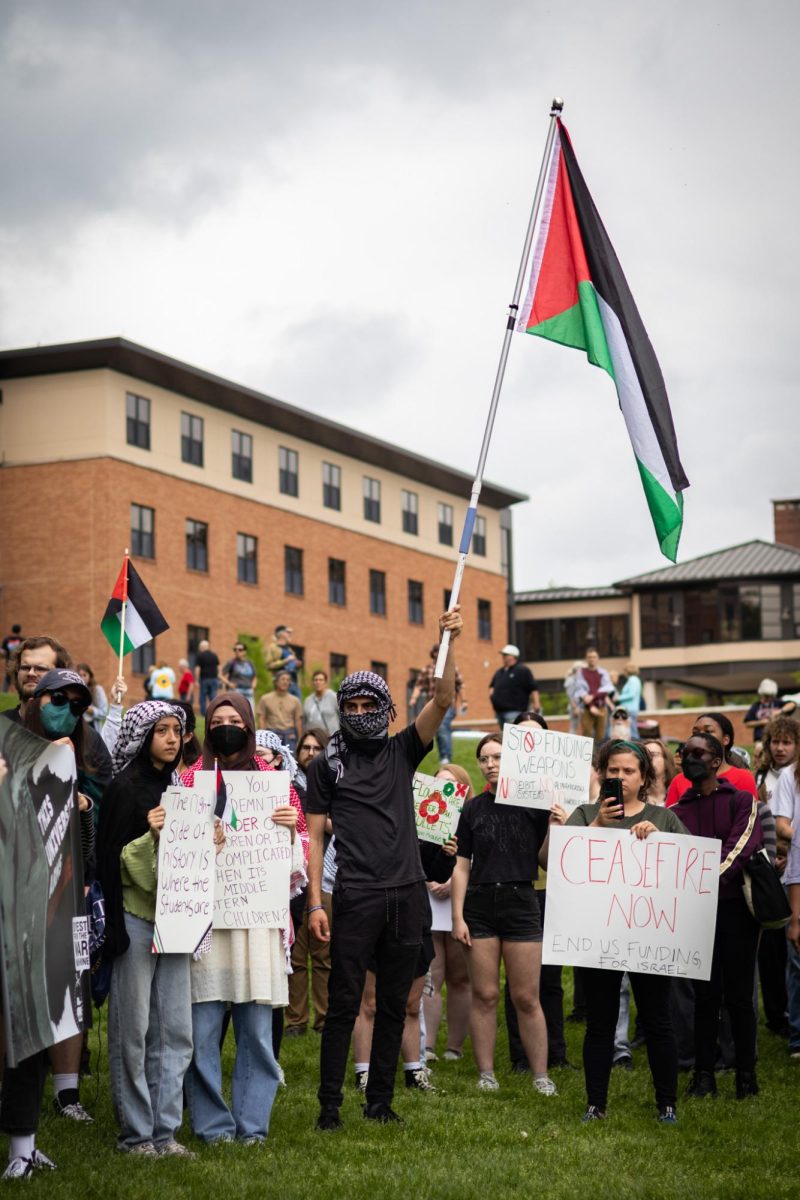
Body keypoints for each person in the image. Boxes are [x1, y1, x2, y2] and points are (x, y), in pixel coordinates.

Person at [305, 605, 463, 1130]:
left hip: (407, 895)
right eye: (347, 704)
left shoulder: (403, 750)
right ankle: (330, 1107)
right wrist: (314, 902)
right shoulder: (325, 763)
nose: (356, 711)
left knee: (396, 1004)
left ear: (384, 706)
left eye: (367, 703)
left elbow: (443, 699)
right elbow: (315, 834)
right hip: (355, 895)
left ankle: (380, 1103)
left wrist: (448, 641)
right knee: (346, 1005)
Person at [181, 692, 307, 1144]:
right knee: (203, 1032)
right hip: (207, 924)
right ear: (207, 727)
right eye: (218, 719)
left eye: (235, 719)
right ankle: (213, 1125)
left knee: (256, 1032)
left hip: (257, 922)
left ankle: (252, 1126)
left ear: (250, 726)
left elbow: (299, 861)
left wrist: (292, 827)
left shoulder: (276, 781)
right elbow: (176, 852)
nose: (227, 726)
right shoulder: (190, 780)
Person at [542, 739, 688, 1123]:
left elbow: (691, 869)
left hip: (648, 938)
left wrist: (661, 842)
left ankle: (667, 1104)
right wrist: (595, 827)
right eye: (613, 771)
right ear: (602, 774)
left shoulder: (663, 818)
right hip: (598, 937)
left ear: (644, 778)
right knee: (600, 1023)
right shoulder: (586, 812)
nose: (620, 777)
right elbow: (553, 862)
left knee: (657, 1020)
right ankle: (596, 1104)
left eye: (628, 771)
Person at [97, 701, 214, 1157]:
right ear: (142, 735)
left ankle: (165, 1132)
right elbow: (112, 861)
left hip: (176, 922)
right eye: (161, 730)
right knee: (133, 1031)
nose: (170, 738)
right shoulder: (124, 789)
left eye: (177, 730)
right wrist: (151, 836)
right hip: (134, 920)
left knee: (174, 1029)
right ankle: (135, 1134)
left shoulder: (181, 787)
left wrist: (212, 837)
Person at [450, 733, 556, 1097]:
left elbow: (545, 861)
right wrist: (457, 917)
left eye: (497, 757)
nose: (490, 764)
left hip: (522, 901)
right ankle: (486, 1073)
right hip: (479, 906)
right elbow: (462, 866)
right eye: (484, 759)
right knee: (486, 994)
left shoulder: (535, 805)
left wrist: (556, 825)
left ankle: (541, 1076)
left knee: (526, 997)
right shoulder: (473, 809)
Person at [20, 669, 101, 1124]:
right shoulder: (10, 750)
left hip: (68, 896)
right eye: (58, 699)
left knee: (69, 989)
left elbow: (87, 845)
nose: (66, 710)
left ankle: (67, 1094)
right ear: (36, 699)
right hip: (18, 894)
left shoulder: (81, 764)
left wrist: (84, 807)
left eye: (76, 705)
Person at [672, 732, 763, 1099]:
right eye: (685, 752)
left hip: (736, 913)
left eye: (699, 752)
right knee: (705, 996)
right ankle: (704, 1074)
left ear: (716, 759)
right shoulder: (677, 812)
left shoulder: (741, 800)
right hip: (697, 916)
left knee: (740, 997)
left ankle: (746, 1074)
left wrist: (703, 880)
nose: (690, 757)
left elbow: (741, 847)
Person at [423, 764, 473, 1063]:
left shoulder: (471, 817)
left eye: (452, 784)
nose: (446, 789)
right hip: (428, 902)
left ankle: (455, 1047)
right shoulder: (423, 817)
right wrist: (430, 879)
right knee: (432, 974)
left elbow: (476, 858)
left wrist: (451, 882)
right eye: (440, 783)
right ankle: (427, 1045)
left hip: (460, 904)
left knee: (460, 977)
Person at [285, 729, 333, 1036]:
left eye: (318, 748)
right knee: (296, 955)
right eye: (306, 747)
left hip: (327, 878)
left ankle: (326, 1018)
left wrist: (316, 820)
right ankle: (296, 1021)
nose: (311, 752)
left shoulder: (335, 785)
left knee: (325, 955)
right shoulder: (287, 786)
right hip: (294, 880)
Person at [666, 713, 758, 806]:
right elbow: (670, 819)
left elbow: (748, 815)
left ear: (726, 739)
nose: (700, 736)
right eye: (695, 732)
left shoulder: (743, 778)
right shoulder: (679, 780)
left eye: (708, 731)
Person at [408, 645, 465, 766]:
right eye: (436, 652)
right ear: (433, 654)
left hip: (448, 705)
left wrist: (464, 701)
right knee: (438, 729)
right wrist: (413, 698)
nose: (438, 654)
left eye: (440, 652)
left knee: (443, 727)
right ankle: (443, 756)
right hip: (432, 706)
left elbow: (460, 686)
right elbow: (419, 685)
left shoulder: (450, 668)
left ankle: (446, 757)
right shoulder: (427, 669)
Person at [488, 644, 539, 730]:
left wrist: (536, 703)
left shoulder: (522, 670)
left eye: (506, 655)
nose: (503, 657)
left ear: (513, 656)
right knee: (504, 736)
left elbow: (533, 688)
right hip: (500, 712)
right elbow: (492, 686)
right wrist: (492, 694)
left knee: (512, 735)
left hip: (515, 711)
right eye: (503, 655)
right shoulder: (500, 672)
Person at [574, 649, 614, 742]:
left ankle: (598, 756)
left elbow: (607, 688)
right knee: (587, 735)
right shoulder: (581, 672)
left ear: (598, 658)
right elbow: (580, 690)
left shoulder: (603, 672)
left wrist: (592, 696)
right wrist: (591, 705)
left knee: (600, 736)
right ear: (586, 659)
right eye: (589, 657)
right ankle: (588, 756)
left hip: (601, 707)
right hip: (587, 708)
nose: (592, 659)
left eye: (594, 657)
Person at [258, 670, 303, 751]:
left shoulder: (295, 700)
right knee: (271, 761)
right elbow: (262, 718)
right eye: (283, 679)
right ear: (276, 682)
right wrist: (263, 737)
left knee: (290, 761)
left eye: (288, 680)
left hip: (290, 736)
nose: (285, 682)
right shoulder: (265, 699)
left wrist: (300, 739)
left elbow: (298, 720)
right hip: (272, 735)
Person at [264, 625, 303, 698]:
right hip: (281, 685)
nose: (290, 635)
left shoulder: (290, 650)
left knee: (298, 708)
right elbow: (269, 665)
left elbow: (292, 666)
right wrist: (286, 660)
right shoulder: (272, 648)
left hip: (294, 683)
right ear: (281, 634)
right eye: (288, 632)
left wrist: (297, 665)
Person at [744, 679, 785, 746]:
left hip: (777, 737)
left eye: (770, 696)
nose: (768, 698)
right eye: (766, 696)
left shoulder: (778, 703)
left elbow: (792, 705)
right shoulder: (756, 705)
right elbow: (747, 723)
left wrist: (779, 711)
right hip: (760, 738)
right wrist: (762, 722)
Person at [221, 642, 257, 712]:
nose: (237, 651)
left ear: (245, 652)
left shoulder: (250, 663)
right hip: (236, 691)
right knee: (234, 712)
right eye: (235, 649)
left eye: (240, 649)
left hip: (248, 691)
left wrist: (253, 686)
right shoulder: (232, 662)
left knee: (250, 713)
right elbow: (220, 675)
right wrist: (229, 684)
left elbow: (255, 676)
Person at [302, 671, 339, 735]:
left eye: (321, 680)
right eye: (316, 680)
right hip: (313, 739)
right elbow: (304, 721)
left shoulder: (334, 697)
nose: (318, 682)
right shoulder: (308, 700)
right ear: (313, 683)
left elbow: (343, 717)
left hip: (330, 737)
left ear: (326, 682)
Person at [642, 738, 677, 805]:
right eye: (644, 756)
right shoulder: (635, 799)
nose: (648, 759)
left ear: (666, 760)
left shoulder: (678, 795)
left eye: (653, 754)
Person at [76, 663, 109, 734]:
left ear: (90, 676)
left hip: (92, 728)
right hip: (77, 729)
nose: (81, 678)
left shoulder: (97, 690)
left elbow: (104, 712)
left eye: (84, 675)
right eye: (79, 675)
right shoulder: (73, 691)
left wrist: (90, 710)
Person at [614, 663, 642, 738]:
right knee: (630, 730)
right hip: (630, 709)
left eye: (625, 670)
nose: (624, 672)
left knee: (632, 730)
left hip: (630, 709)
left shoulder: (633, 680)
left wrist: (618, 697)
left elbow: (631, 694)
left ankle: (637, 747)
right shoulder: (633, 680)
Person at [194, 639, 221, 716]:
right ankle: (213, 712)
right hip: (214, 679)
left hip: (204, 679)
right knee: (213, 697)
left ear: (202, 647)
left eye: (199, 647)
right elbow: (219, 667)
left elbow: (197, 669)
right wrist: (218, 677)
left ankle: (203, 714)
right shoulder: (214, 655)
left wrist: (196, 680)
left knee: (203, 697)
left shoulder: (200, 656)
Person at [564, 661, 586, 735]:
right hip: (575, 708)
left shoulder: (579, 679)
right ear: (577, 669)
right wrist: (575, 708)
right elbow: (570, 696)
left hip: (581, 707)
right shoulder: (570, 680)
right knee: (573, 728)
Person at [2, 626, 23, 692]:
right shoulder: (22, 639)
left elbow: (3, 652)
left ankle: (4, 692)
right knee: (18, 678)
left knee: (8, 678)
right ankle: (19, 693)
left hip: (9, 662)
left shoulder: (7, 639)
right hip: (19, 662)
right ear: (19, 630)